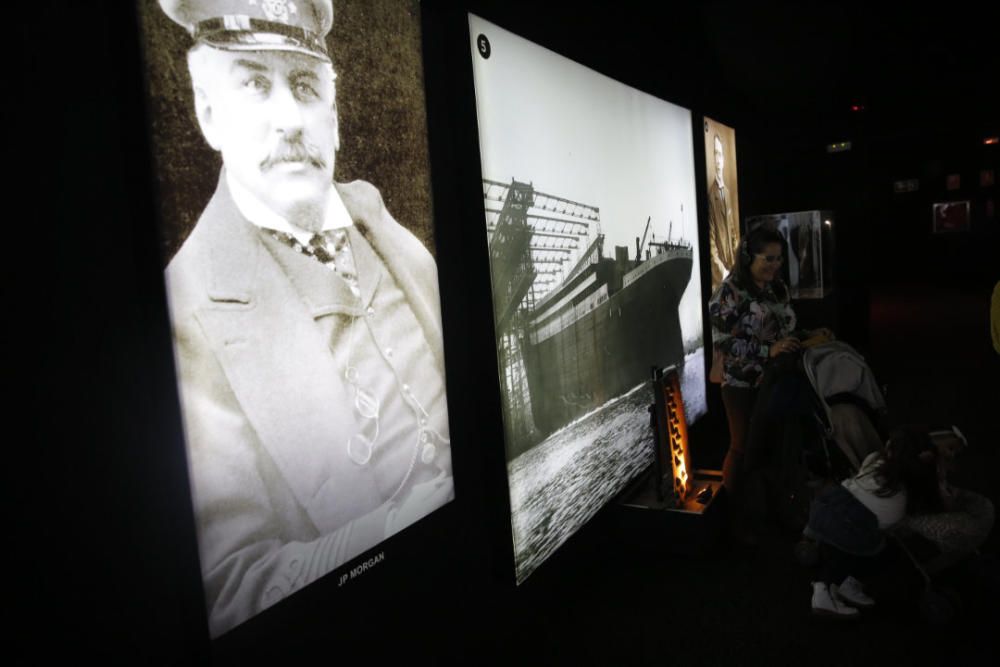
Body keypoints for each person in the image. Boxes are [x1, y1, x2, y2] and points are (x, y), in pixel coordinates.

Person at [155, 0, 453, 637]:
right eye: (256, 85)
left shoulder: (376, 217)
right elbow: (235, 587)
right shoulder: (186, 310)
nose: (289, 119)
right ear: (209, 115)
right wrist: (392, 530)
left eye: (305, 84)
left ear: (336, 118)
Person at [708, 225, 830, 538]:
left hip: (776, 380)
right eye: (768, 259)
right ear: (748, 257)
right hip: (741, 385)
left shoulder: (776, 288)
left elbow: (783, 329)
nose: (775, 265)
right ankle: (733, 516)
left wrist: (805, 338)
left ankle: (772, 510)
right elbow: (722, 342)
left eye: (778, 259)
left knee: (776, 449)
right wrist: (766, 350)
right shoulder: (729, 293)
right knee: (743, 448)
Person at [707, 133, 740, 292]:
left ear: (724, 158)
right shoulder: (710, 197)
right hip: (721, 280)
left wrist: (738, 264)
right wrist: (724, 273)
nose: (718, 159)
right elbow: (711, 245)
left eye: (720, 154)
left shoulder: (726, 192)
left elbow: (733, 233)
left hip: (733, 271)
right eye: (715, 154)